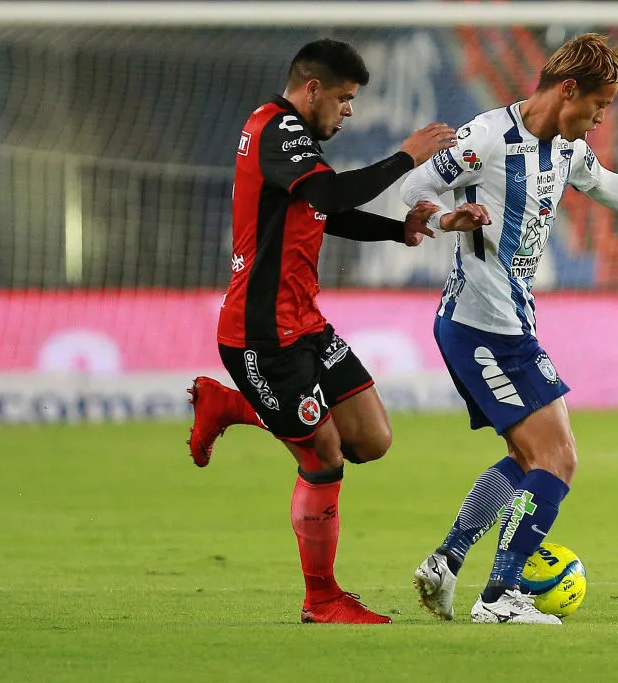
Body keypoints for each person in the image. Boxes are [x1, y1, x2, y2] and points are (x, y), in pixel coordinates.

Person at [399, 33, 618, 625]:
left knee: (527, 456)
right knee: (559, 457)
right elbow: (412, 189)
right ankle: (499, 598)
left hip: (509, 324)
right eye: (598, 105)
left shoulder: (565, 150)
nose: (599, 119)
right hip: (480, 326)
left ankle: (446, 562)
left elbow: (606, 184)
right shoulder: (485, 137)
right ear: (567, 89)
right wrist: (447, 217)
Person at [186, 38, 455, 624]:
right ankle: (322, 598)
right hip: (263, 335)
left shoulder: (294, 137)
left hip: (305, 321)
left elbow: (322, 209)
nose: (349, 110)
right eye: (344, 98)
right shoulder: (276, 130)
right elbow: (330, 193)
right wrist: (405, 157)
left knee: (372, 441)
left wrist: (395, 232)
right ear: (312, 90)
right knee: (324, 456)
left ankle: (229, 406)